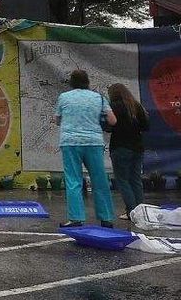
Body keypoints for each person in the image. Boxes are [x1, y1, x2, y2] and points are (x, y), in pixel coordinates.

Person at [55, 69, 117, 228]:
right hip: (93, 142)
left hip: (70, 142)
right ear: (87, 82)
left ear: (71, 82)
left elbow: (57, 120)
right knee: (99, 179)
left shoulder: (64, 97)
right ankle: (106, 217)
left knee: (73, 180)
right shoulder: (99, 98)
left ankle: (76, 218)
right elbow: (112, 120)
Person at [107, 83, 150, 220]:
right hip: (137, 147)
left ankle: (131, 211)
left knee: (123, 180)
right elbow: (146, 126)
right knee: (135, 179)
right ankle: (141, 211)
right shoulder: (136, 105)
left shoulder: (113, 107)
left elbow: (108, 127)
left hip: (120, 147)